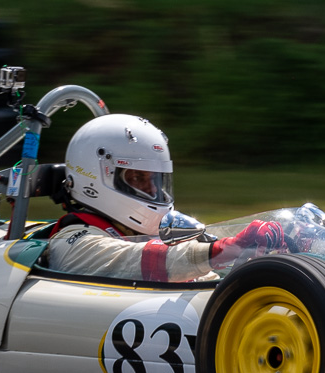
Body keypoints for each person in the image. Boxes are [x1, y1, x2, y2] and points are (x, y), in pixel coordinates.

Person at [36, 113, 284, 281]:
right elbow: (135, 260)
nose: (153, 191)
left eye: (155, 179)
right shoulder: (72, 244)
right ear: (96, 177)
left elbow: (205, 273)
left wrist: (268, 253)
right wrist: (225, 249)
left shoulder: (155, 233)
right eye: (137, 178)